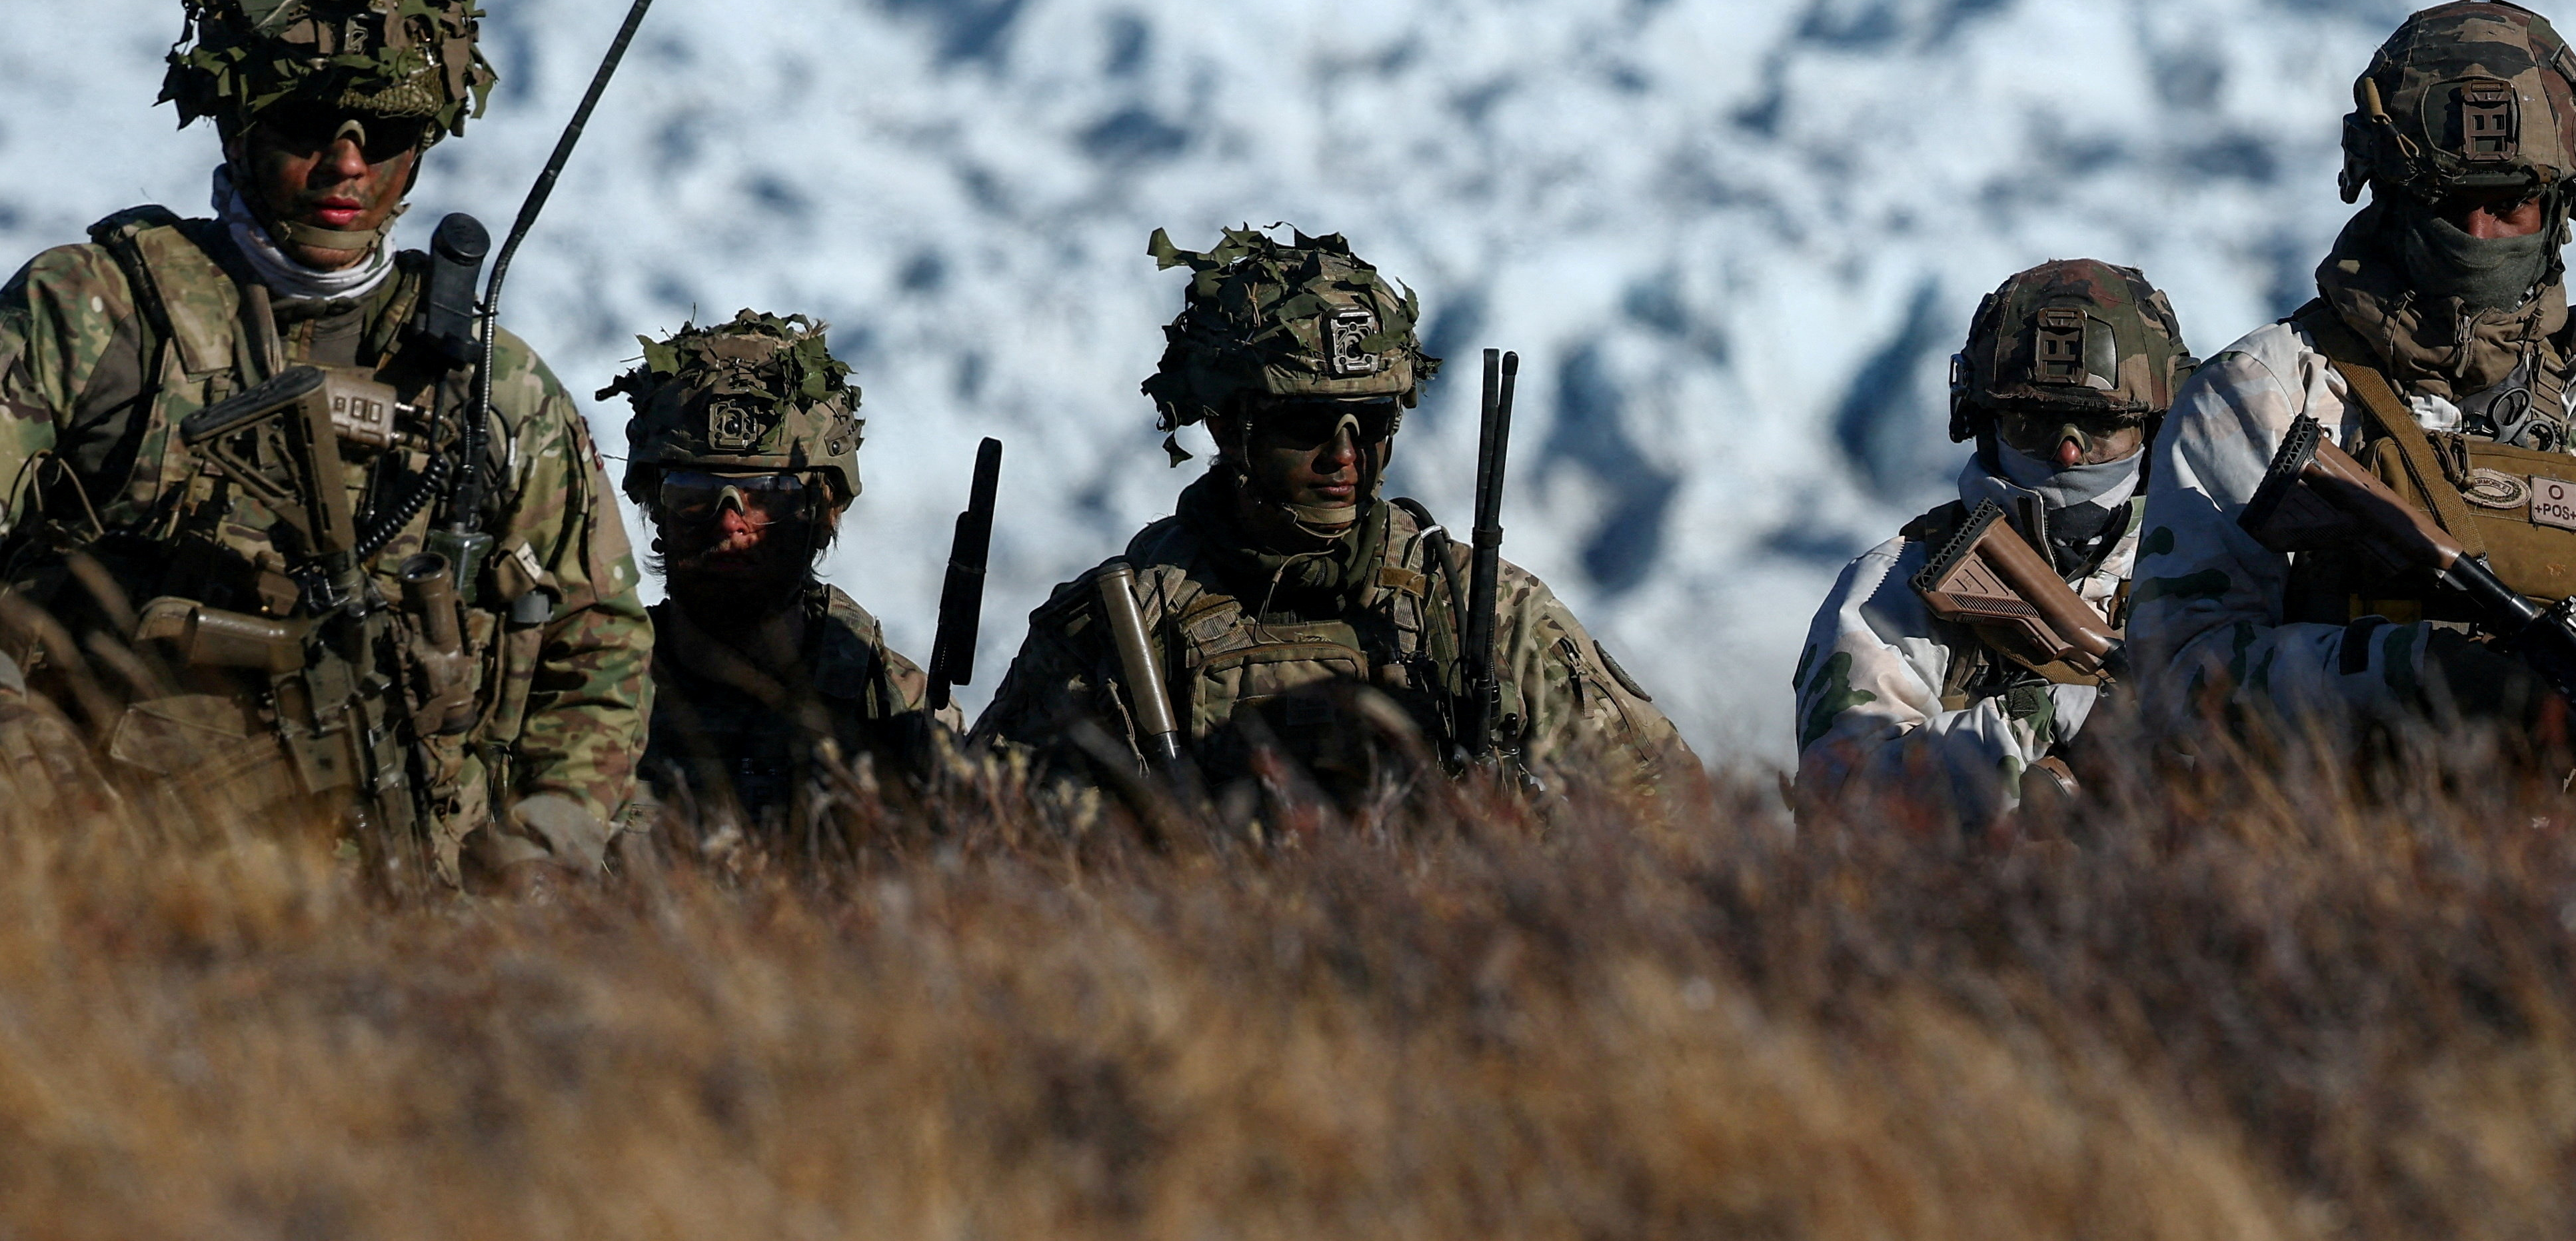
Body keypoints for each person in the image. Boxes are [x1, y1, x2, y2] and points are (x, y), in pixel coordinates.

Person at [0, 0, 647, 883]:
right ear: (238, 123)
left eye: (386, 129)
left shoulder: (491, 386)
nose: (346, 163)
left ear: (422, 146)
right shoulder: (96, 311)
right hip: (79, 877)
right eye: (307, 122)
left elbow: (598, 639)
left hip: (402, 897)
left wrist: (548, 833)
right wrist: (1, 732)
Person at [2127, 0, 2576, 756]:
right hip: (2342, 816)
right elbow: (2177, 678)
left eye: (2511, 202)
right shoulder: (2262, 391)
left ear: (2562, 206)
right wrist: (2402, 671)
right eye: (2448, 201)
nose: (2479, 234)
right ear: (2388, 191)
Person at [978, 227, 1693, 819]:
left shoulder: (1483, 609)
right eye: (1306, 423)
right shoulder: (1121, 626)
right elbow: (991, 844)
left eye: (1372, 420)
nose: (1345, 454)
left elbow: (1675, 811)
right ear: (1228, 425)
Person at [1792, 259, 2190, 816]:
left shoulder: (2209, 570)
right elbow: (1840, 808)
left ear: (2154, 427)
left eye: (2103, 424)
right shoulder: (1897, 588)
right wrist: (2037, 716)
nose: (2068, 452)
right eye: (2034, 421)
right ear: (1984, 421)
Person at [605, 311, 952, 830]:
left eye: (768, 495)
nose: (730, 522)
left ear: (821, 513)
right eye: (693, 494)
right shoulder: (594, 693)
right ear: (658, 509)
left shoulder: (891, 705)